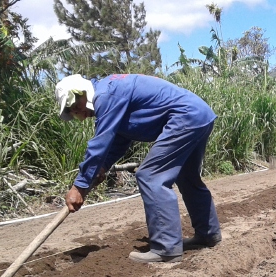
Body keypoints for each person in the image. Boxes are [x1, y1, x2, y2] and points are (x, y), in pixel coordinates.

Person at [55, 73, 222, 263]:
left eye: (77, 107)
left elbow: (100, 142)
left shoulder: (106, 95)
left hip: (185, 117)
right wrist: (102, 166)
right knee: (187, 176)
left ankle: (166, 248)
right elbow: (120, 139)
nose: (80, 113)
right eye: (75, 114)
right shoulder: (110, 90)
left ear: (82, 92)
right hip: (198, 114)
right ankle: (208, 234)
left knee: (150, 176)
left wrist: (79, 186)